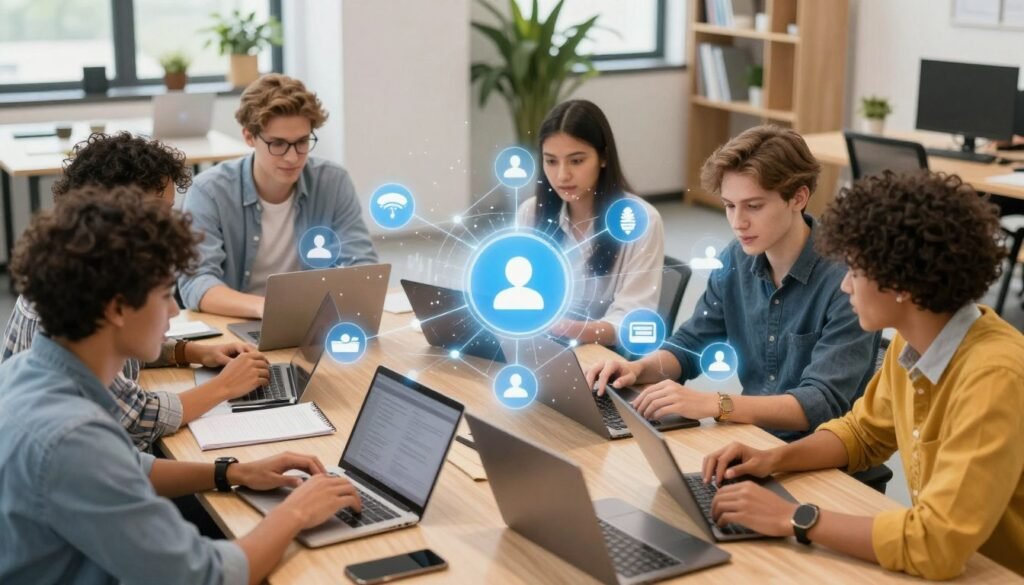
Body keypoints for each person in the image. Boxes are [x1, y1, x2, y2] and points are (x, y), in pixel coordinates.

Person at [0, 186, 362, 585]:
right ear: (117, 308)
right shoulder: (74, 438)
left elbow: (129, 466)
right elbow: (205, 576)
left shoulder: (23, 371)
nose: (174, 309)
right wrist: (296, 512)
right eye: (162, 294)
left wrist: (234, 471)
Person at [700, 170, 1024, 579]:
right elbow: (863, 433)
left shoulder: (993, 377)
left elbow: (936, 544)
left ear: (901, 281)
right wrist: (774, 458)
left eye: (855, 271)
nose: (846, 287)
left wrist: (795, 518)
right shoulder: (912, 343)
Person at [587, 125, 879, 441]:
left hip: (822, 456)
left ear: (798, 198)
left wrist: (716, 403)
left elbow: (821, 403)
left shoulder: (849, 280)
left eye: (754, 206)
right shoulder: (735, 259)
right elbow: (690, 344)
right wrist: (638, 370)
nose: (738, 222)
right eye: (729, 205)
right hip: (751, 438)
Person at [0, 132, 269, 452]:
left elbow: (121, 339)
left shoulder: (86, 271)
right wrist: (224, 387)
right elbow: (137, 417)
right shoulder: (69, 300)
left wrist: (190, 352)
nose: (169, 222)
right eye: (158, 210)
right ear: (114, 209)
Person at [178, 74, 378, 318]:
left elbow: (363, 267)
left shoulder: (333, 181)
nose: (292, 157)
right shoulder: (208, 191)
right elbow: (196, 282)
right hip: (237, 321)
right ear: (249, 137)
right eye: (277, 144)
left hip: (312, 320)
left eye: (302, 142)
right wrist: (267, 308)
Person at [519, 99, 664, 346]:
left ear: (603, 158)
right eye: (551, 161)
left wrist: (569, 329)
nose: (562, 175)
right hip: (541, 346)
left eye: (576, 161)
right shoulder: (530, 213)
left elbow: (633, 320)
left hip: (605, 358)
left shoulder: (642, 221)